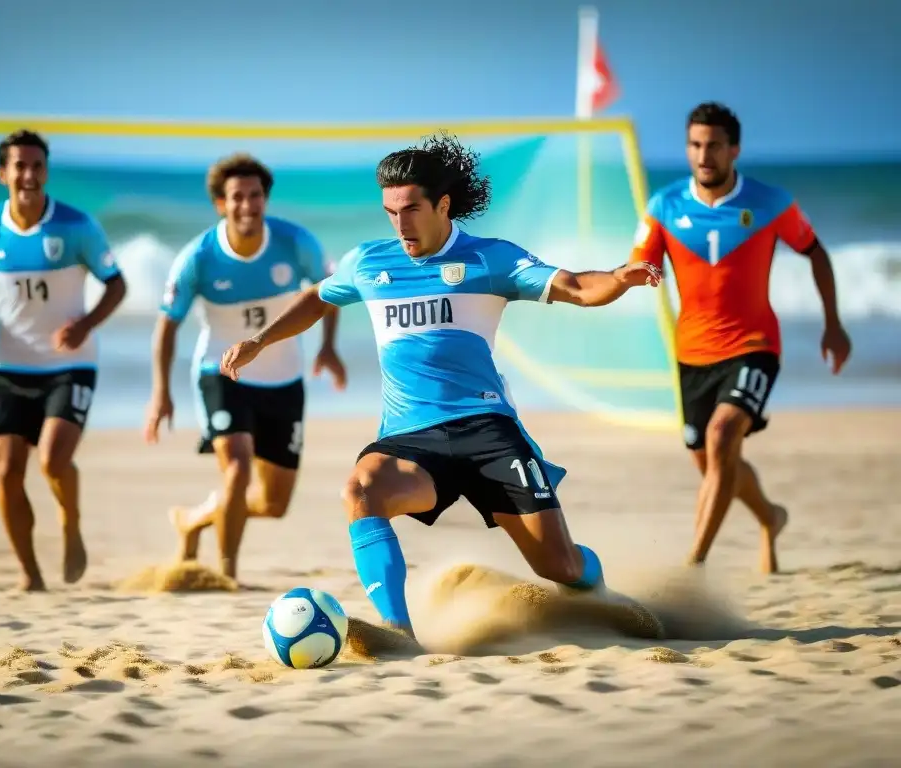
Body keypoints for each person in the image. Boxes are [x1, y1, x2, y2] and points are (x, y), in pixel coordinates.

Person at [220, 132, 660, 636]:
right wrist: (260, 340)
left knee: (558, 566)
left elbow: (577, 287)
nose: (400, 223)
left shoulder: (490, 259)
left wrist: (618, 277)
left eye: (410, 209)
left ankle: (601, 599)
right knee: (361, 491)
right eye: (390, 211)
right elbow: (318, 298)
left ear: (442, 204)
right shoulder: (369, 262)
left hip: (487, 430)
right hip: (413, 436)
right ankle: (397, 632)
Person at [630, 102, 851, 574]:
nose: (702, 155)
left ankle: (693, 567)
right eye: (694, 144)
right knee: (713, 462)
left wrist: (832, 323)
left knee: (723, 433)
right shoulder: (664, 206)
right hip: (691, 352)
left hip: (754, 345)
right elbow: (642, 268)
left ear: (735, 149)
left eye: (713, 145)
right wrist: (618, 285)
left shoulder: (771, 202)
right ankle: (771, 517)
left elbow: (816, 252)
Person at [144, 153, 347, 580]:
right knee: (237, 468)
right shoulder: (198, 257)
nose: (247, 206)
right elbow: (167, 326)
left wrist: (327, 348)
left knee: (274, 505)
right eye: (237, 197)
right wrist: (160, 392)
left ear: (265, 199)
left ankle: (196, 518)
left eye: (255, 196)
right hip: (222, 374)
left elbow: (330, 293)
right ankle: (227, 574)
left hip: (284, 380)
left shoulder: (296, 243)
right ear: (221, 203)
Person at [0, 129, 128, 591]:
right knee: (7, 470)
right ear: (3, 173)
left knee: (53, 461)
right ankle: (30, 575)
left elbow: (117, 285)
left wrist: (86, 324)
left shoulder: (77, 227)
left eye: (36, 166)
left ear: (45, 171)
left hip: (70, 364)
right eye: (19, 166)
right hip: (9, 368)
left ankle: (70, 523)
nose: (28, 174)